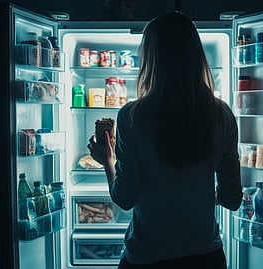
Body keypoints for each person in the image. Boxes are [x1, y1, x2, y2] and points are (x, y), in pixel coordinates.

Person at [88, 11, 242, 269]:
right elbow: (232, 198)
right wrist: (193, 193)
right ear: (196, 56)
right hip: (206, 258)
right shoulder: (222, 114)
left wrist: (107, 160)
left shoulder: (133, 116)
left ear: (151, 58)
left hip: (148, 257)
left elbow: (125, 198)